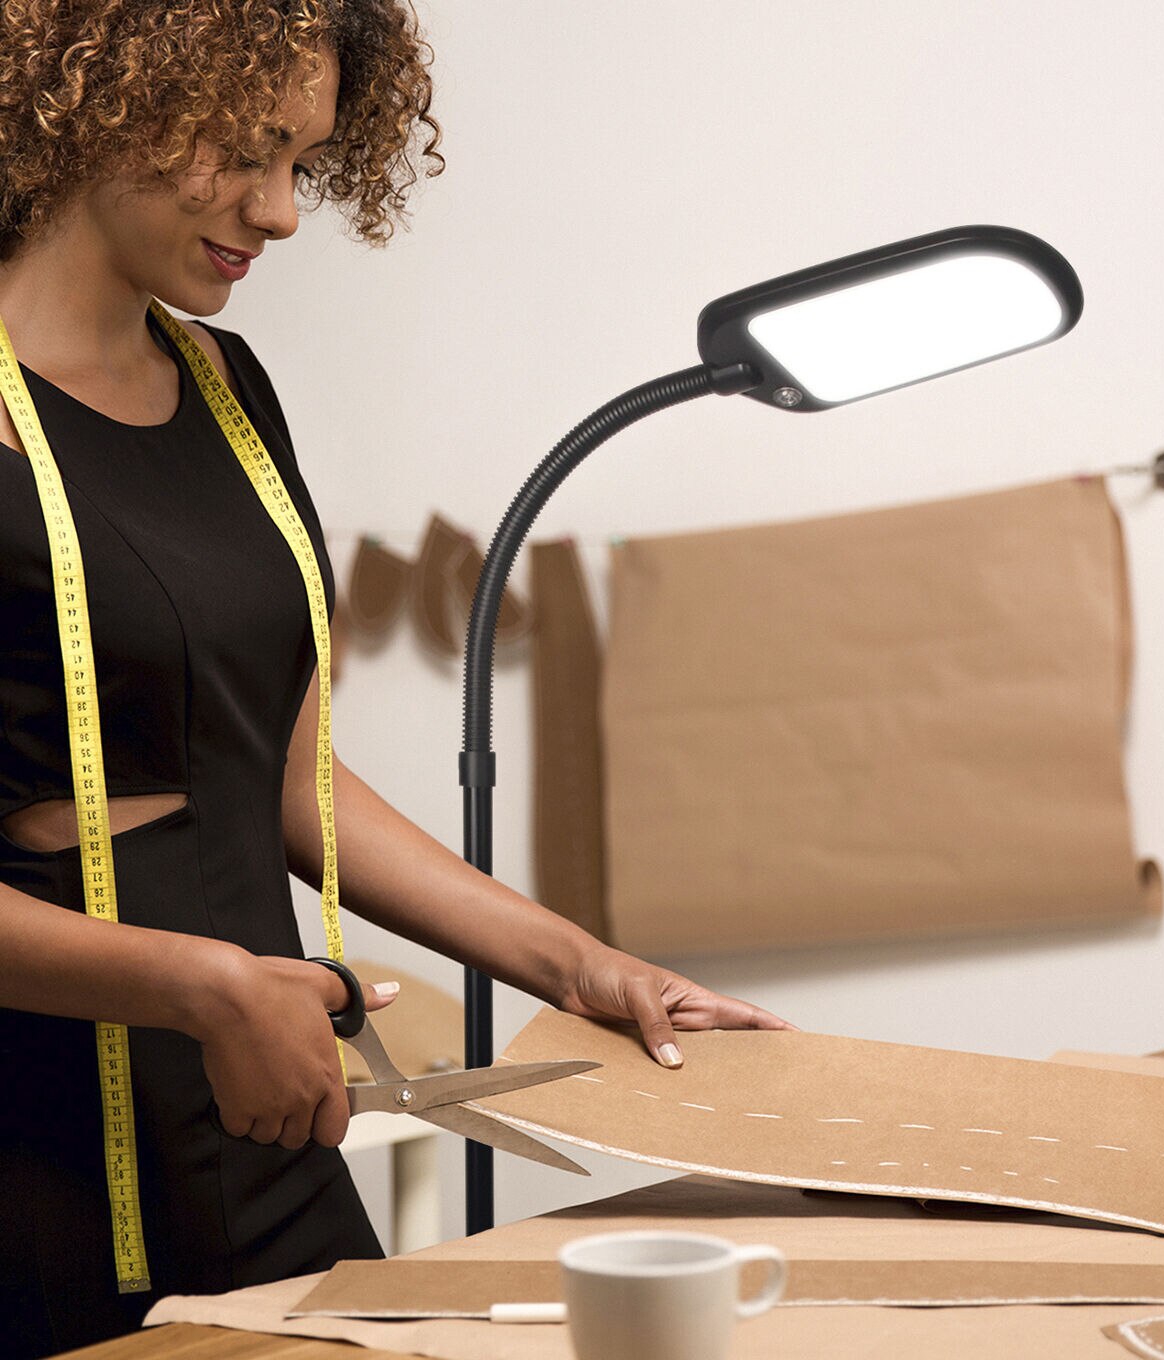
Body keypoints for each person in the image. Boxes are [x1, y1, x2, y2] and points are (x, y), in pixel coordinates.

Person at [0, 3, 790, 1355]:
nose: (282, 210)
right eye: (248, 149)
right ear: (113, 100)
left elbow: (284, 777)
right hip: (39, 1160)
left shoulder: (226, 388)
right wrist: (204, 986)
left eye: (303, 161)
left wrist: (578, 965)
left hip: (260, 1109)